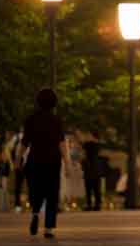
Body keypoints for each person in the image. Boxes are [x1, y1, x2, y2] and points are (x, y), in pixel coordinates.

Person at [20, 89, 72, 238]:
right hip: (52, 161)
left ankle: (35, 212)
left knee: (35, 189)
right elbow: (62, 143)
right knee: (51, 192)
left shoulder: (30, 119)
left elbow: (24, 142)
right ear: (54, 103)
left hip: (34, 159)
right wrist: (67, 163)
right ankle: (48, 228)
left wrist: (18, 159)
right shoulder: (57, 121)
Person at [82, 131, 103, 211]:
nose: (87, 137)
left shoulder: (89, 144)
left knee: (89, 187)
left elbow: (83, 144)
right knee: (96, 187)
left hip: (90, 167)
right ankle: (97, 204)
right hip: (96, 167)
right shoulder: (98, 145)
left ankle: (89, 204)